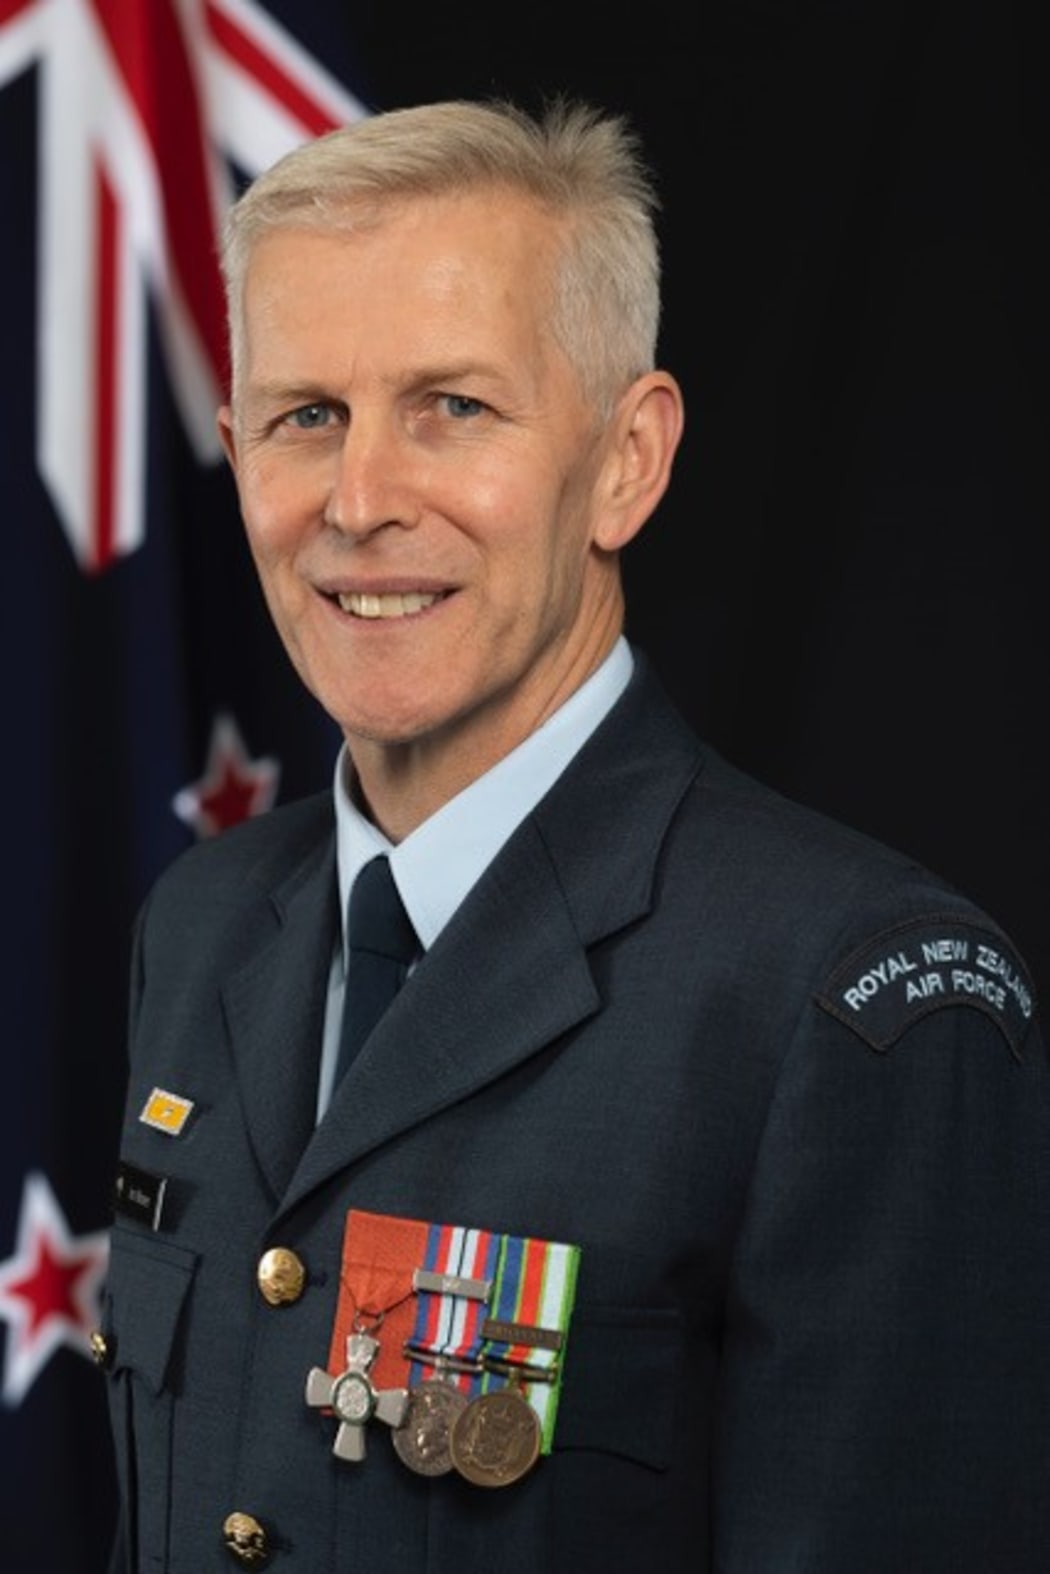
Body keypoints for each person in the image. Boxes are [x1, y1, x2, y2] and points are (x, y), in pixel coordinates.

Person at [98, 96, 1050, 1573]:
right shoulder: (208, 918)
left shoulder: (848, 999)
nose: (357, 502)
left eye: (451, 408)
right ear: (234, 447)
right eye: (306, 418)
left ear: (625, 459)